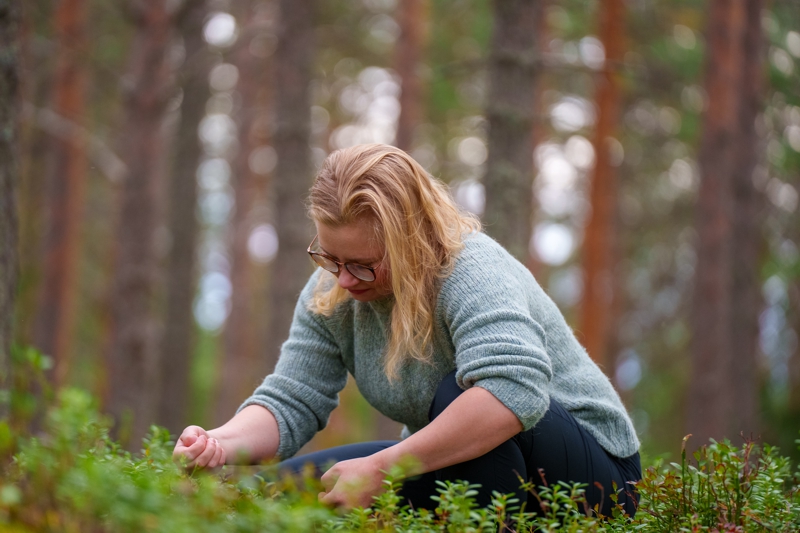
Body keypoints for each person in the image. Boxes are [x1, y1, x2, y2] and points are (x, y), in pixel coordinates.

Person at [173, 143, 641, 515]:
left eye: (362, 265)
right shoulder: (333, 289)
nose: (343, 278)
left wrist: (384, 466)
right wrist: (221, 442)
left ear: (410, 240)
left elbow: (513, 391)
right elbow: (292, 396)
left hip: (595, 478)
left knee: (462, 393)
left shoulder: (470, 270)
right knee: (282, 494)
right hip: (479, 466)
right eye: (330, 257)